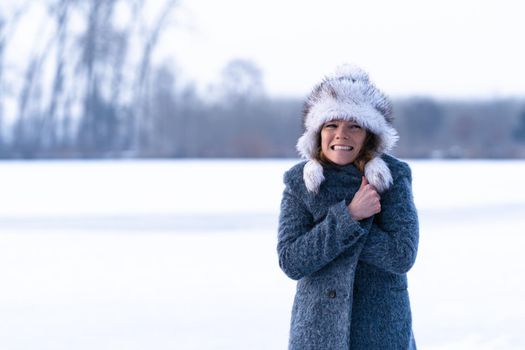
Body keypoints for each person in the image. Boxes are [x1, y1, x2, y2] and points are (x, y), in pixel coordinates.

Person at [277, 64, 419, 350]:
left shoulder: (393, 177)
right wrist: (350, 216)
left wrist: (332, 231)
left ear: (370, 134)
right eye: (332, 125)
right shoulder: (299, 182)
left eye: (354, 126)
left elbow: (401, 256)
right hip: (316, 333)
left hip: (381, 332)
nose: (341, 135)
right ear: (318, 132)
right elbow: (292, 261)